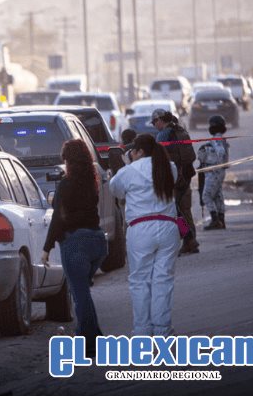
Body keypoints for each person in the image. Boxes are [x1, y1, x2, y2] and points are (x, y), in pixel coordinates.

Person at [110, 134, 181, 336]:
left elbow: (116, 190)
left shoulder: (129, 171)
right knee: (163, 279)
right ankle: (162, 329)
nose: (130, 154)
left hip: (141, 229)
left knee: (140, 281)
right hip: (168, 227)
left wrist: (126, 165)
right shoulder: (169, 167)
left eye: (132, 151)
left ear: (139, 151)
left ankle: (142, 331)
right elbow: (172, 178)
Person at [42, 139, 108, 353]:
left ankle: (89, 346)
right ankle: (91, 336)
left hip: (76, 244)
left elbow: (58, 220)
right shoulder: (92, 181)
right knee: (83, 293)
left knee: (79, 296)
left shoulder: (66, 184)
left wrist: (47, 247)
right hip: (98, 242)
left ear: (67, 161)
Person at [152, 108, 200, 254]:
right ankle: (190, 241)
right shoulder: (181, 131)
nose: (154, 125)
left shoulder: (163, 135)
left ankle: (188, 238)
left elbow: (159, 158)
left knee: (175, 213)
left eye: (155, 121)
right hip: (185, 176)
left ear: (160, 120)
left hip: (174, 179)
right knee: (185, 210)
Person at [197, 115, 230, 230]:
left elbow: (220, 152)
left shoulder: (217, 139)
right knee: (217, 196)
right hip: (219, 171)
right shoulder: (221, 138)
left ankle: (215, 220)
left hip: (214, 171)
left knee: (206, 196)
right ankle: (221, 220)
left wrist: (214, 163)